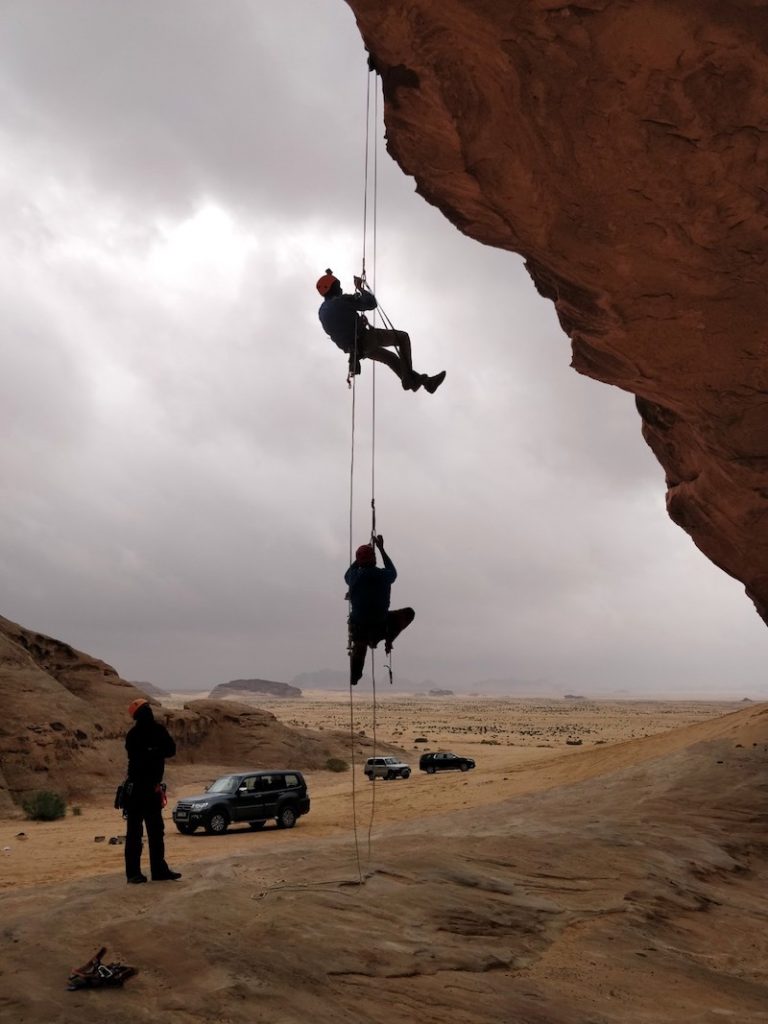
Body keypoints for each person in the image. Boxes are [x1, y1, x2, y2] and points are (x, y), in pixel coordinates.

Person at [317, 270, 446, 393]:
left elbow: (339, 328)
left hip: (357, 351)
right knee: (402, 338)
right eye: (337, 286)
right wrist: (360, 288)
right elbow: (371, 303)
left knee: (391, 358)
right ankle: (409, 381)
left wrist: (357, 323)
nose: (340, 289)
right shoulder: (341, 301)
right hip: (365, 339)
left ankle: (426, 382)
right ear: (332, 288)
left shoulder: (322, 312)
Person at [123, 698, 181, 884]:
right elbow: (169, 750)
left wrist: (151, 751)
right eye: (146, 710)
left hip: (143, 789)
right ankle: (145, 872)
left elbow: (169, 750)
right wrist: (156, 751)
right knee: (145, 832)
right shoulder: (156, 732)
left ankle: (145, 872)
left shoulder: (135, 734)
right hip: (143, 789)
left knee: (146, 832)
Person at [345, 534, 415, 685]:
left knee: (359, 651)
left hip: (360, 629)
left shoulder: (353, 577)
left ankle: (355, 675)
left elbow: (347, 574)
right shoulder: (384, 576)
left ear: (359, 561)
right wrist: (381, 549)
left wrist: (359, 559)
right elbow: (393, 571)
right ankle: (389, 638)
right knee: (409, 613)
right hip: (381, 626)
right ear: (373, 559)